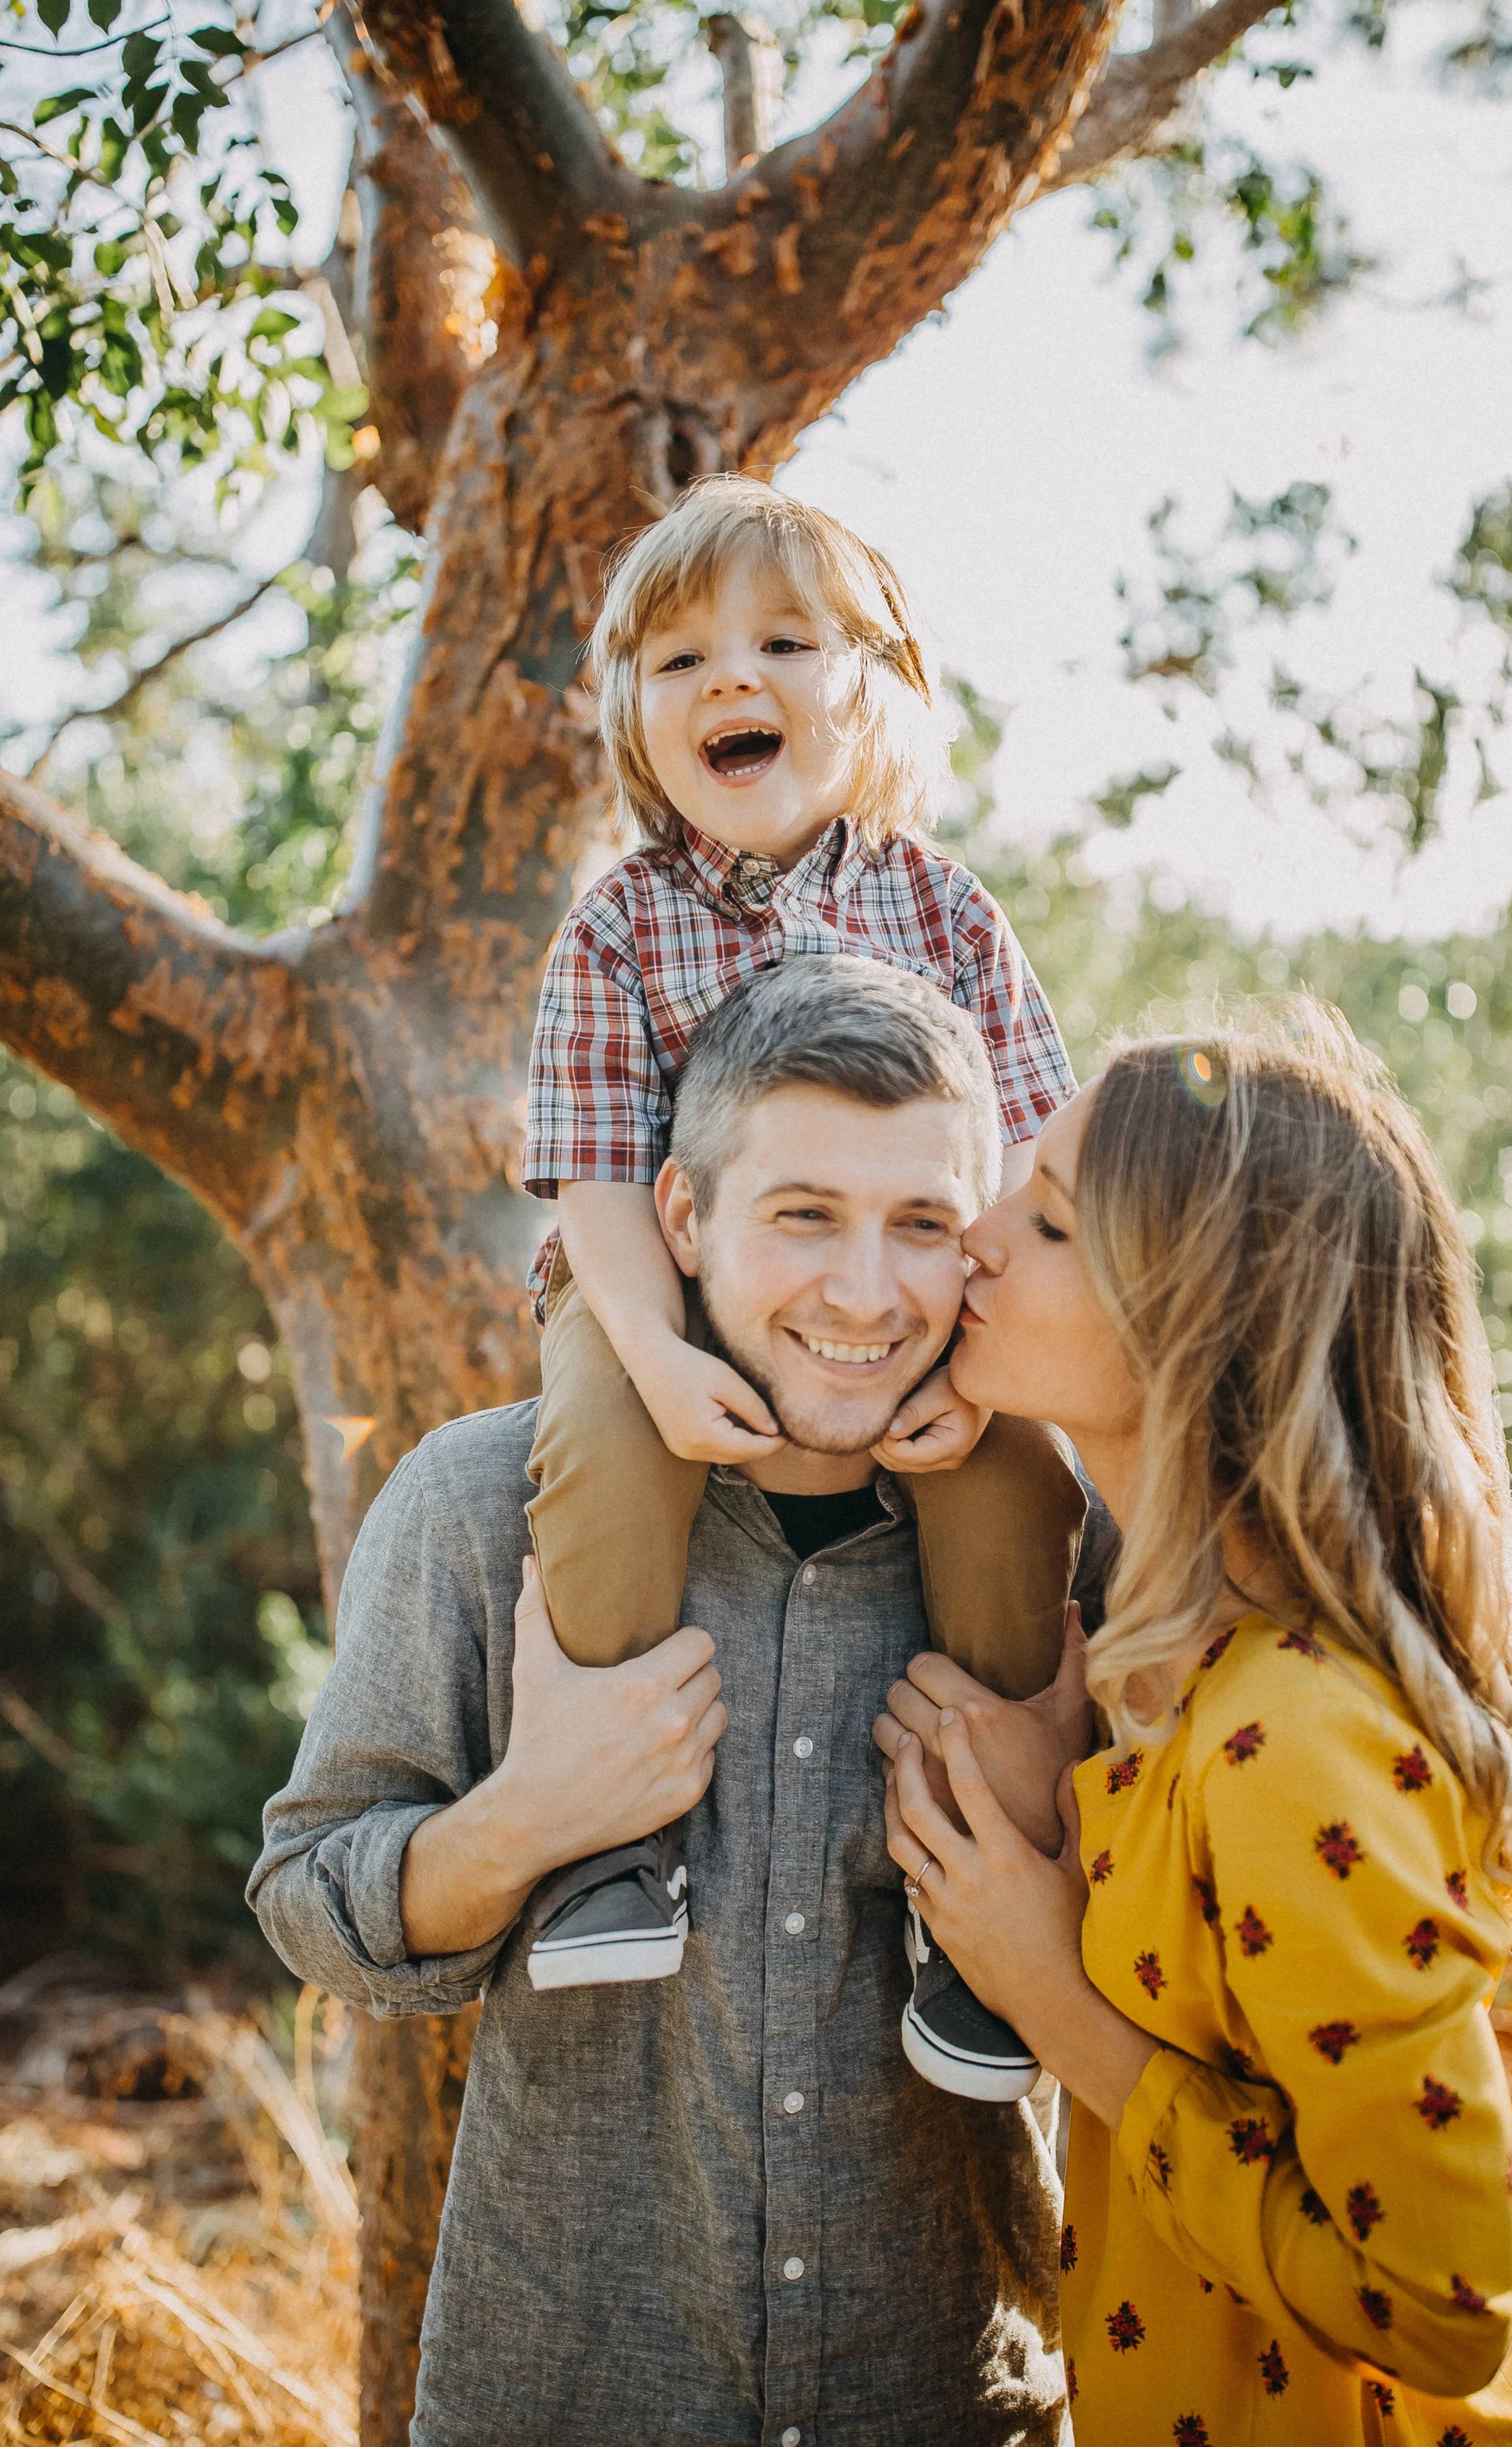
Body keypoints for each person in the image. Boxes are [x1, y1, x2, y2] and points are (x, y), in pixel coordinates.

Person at [250, 956, 1116, 2447]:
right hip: (568, 2396)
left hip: (949, 2406)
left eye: (919, 1224)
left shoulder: (1068, 1550)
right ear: (678, 1220)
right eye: (801, 1218)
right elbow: (311, 1904)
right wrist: (527, 1823)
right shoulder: (477, 1507)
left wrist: (1058, 1844)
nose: (864, 1290)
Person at [876, 1001, 1512, 2444]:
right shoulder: (1182, 1685)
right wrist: (1078, 1810)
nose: (973, 1233)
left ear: (1187, 1323)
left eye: (1044, 1222)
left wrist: (1051, 2004)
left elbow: (1444, 2311)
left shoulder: (1299, 1741)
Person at [521, 476, 1087, 2054]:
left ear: (876, 687)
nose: (729, 681)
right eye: (680, 660)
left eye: (782, 641)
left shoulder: (945, 913)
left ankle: (973, 1860)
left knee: (1012, 1488)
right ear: (637, 718)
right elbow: (590, 1183)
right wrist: (656, 1351)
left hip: (905, 1307)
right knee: (603, 1445)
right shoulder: (620, 927)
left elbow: (1025, 1167)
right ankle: (606, 1843)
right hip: (662, 1288)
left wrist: (976, 1379)